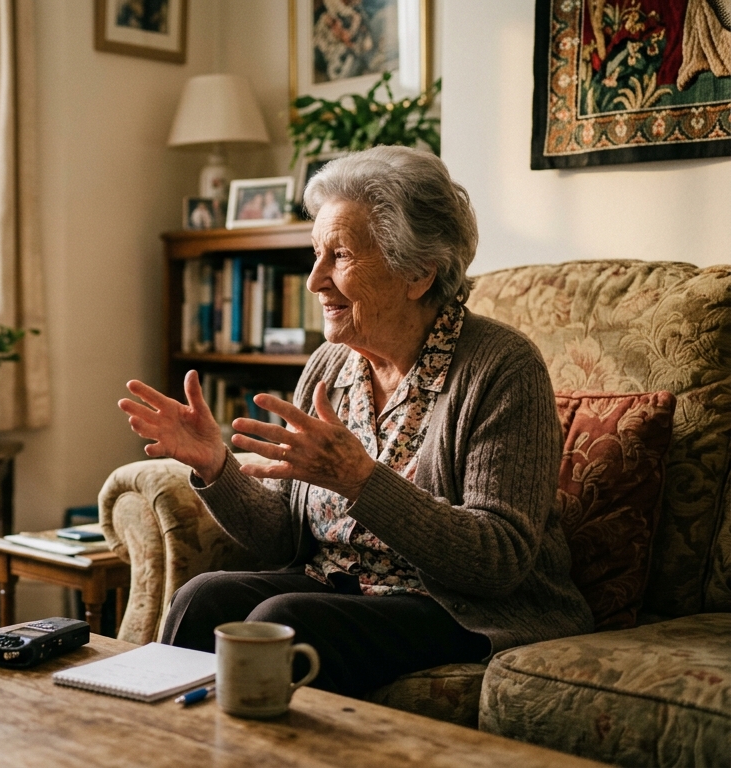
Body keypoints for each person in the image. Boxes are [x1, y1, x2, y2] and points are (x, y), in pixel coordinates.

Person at [118, 145, 593, 697]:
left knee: (287, 616)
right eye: (316, 255)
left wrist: (361, 481)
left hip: (458, 607)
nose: (314, 280)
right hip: (340, 586)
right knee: (204, 596)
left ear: (417, 274)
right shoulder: (331, 366)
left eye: (338, 256)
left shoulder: (502, 368)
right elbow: (283, 541)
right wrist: (216, 466)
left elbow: (497, 561)